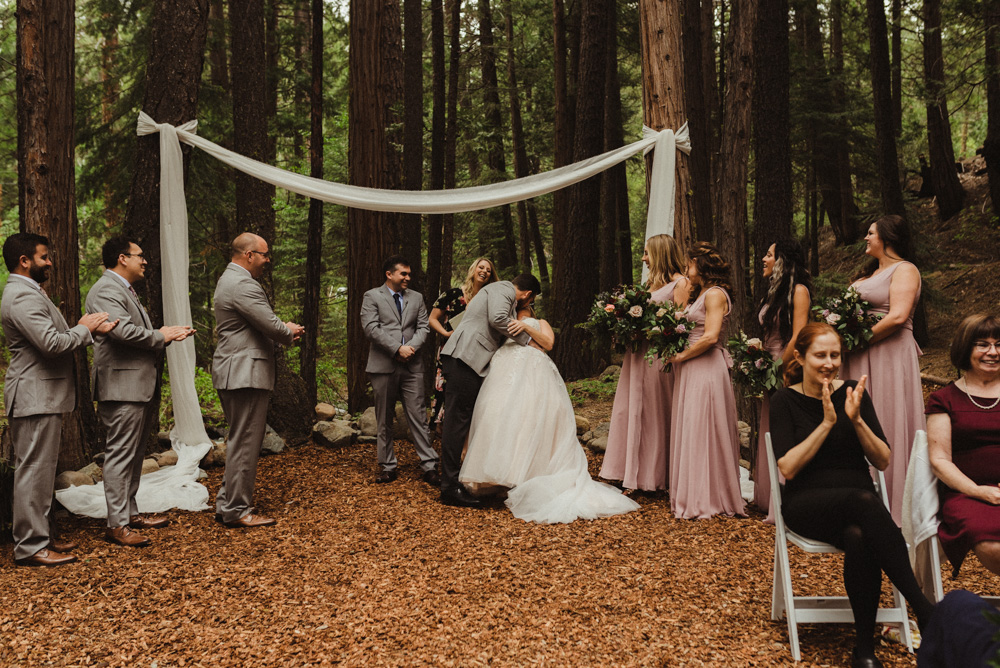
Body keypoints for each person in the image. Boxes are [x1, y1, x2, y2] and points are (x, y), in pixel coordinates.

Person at [770, 322, 934, 668]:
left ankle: (864, 651)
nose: (829, 363)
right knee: (864, 502)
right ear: (800, 357)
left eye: (835, 355)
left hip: (861, 511)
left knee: (860, 535)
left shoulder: (853, 394)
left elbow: (883, 460)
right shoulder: (784, 400)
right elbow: (787, 467)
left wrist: (857, 420)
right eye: (820, 355)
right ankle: (924, 609)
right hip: (808, 505)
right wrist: (827, 423)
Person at [459, 304, 640, 523]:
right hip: (504, 373)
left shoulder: (541, 322)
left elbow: (548, 344)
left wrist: (526, 328)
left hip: (534, 373)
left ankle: (527, 478)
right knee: (500, 417)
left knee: (532, 419)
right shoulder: (502, 319)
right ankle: (497, 477)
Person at [2, 233, 117, 566]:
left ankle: (40, 536)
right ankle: (30, 547)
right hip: (33, 396)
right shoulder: (21, 296)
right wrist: (83, 327)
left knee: (41, 471)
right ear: (24, 261)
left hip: (42, 396)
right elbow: (51, 344)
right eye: (44, 257)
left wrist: (93, 331)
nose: (50, 262)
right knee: (33, 472)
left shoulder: (30, 292)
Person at [86, 236, 194, 547]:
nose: (144, 261)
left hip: (135, 385)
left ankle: (129, 514)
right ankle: (116, 524)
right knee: (120, 455)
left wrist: (165, 334)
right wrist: (161, 335)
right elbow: (121, 331)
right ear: (122, 258)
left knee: (133, 455)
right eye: (139, 256)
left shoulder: (123, 289)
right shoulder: (106, 289)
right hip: (121, 387)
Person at [212, 233, 304, 528]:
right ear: (249, 255)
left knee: (239, 439)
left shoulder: (229, 279)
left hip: (236, 371)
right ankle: (237, 510)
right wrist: (288, 330)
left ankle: (227, 503)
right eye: (264, 254)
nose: (268, 260)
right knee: (246, 442)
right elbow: (272, 325)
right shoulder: (242, 284)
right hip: (244, 373)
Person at [840, 214, 924, 524]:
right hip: (859, 356)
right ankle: (857, 501)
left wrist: (855, 341)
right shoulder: (866, 276)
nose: (865, 237)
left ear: (887, 238)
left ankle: (894, 505)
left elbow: (898, 316)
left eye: (871, 233)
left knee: (886, 418)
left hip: (888, 355)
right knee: (854, 424)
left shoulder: (905, 270)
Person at [438, 273, 539, 507]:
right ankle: (449, 488)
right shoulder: (504, 289)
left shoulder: (497, 291)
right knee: (457, 421)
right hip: (465, 357)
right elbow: (497, 318)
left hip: (470, 359)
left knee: (461, 419)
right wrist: (528, 341)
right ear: (527, 294)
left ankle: (452, 481)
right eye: (529, 301)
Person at [600, 234, 689, 492]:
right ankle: (630, 471)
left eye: (647, 253)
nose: (643, 258)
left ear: (660, 253)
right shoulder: (649, 285)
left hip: (658, 357)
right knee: (630, 409)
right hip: (637, 355)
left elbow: (680, 325)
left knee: (654, 411)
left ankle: (656, 475)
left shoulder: (680, 284)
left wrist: (650, 330)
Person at [665, 242, 745, 519]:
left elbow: (710, 337)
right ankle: (693, 491)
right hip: (692, 367)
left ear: (701, 264)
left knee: (703, 427)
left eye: (689, 264)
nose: (686, 270)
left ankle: (708, 497)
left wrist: (681, 356)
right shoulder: (700, 295)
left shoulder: (714, 295)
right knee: (692, 426)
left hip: (705, 367)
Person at [926, 314, 1000, 577]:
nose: (993, 351)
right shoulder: (943, 399)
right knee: (994, 547)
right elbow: (940, 460)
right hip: (966, 493)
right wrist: (980, 492)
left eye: (999, 344)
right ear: (966, 348)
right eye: (983, 344)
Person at [360, 255, 440, 485]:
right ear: (389, 274)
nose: (408, 278)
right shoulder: (372, 296)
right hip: (383, 365)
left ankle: (429, 466)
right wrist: (396, 349)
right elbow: (371, 328)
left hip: (412, 365)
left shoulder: (416, 298)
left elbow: (424, 326)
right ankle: (387, 466)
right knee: (383, 417)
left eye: (409, 274)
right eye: (403, 274)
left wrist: (410, 348)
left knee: (418, 417)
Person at [754, 239, 812, 520]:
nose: (763, 259)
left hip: (787, 370)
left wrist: (777, 368)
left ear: (783, 261)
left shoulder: (799, 291)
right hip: (769, 367)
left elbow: (799, 336)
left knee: (785, 431)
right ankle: (769, 497)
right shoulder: (774, 293)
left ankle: (789, 501)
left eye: (768, 254)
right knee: (770, 427)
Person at [428, 257, 497, 426]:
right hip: (450, 348)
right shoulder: (452, 294)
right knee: (444, 387)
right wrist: (445, 333)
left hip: (475, 352)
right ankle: (439, 426)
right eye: (481, 267)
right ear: (473, 270)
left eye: (488, 270)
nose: (484, 272)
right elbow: (432, 318)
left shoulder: (488, 298)